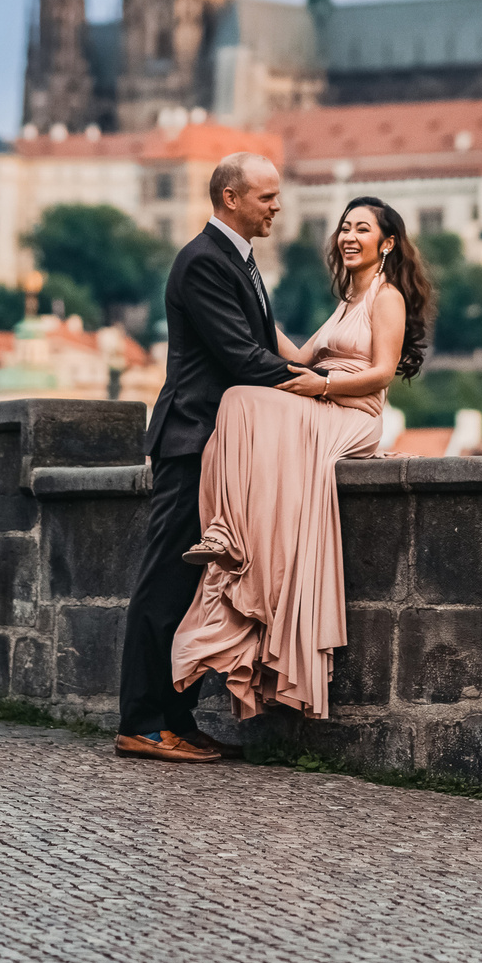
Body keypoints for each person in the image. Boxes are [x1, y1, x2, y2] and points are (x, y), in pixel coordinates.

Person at [169, 194, 434, 721]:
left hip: (352, 414)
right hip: (321, 402)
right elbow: (296, 358)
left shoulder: (387, 298)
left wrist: (325, 386)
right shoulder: (344, 303)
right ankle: (231, 532)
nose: (349, 236)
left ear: (386, 244)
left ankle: (230, 531)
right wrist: (253, 309)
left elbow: (382, 372)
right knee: (240, 401)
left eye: (362, 228)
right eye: (344, 227)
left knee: (242, 401)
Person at [114, 151, 318, 763]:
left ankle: (176, 719)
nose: (277, 206)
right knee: (166, 582)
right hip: (192, 439)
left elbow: (258, 346)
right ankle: (143, 722)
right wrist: (322, 384)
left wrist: (313, 368)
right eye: (266, 197)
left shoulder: (237, 258)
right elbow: (241, 357)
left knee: (201, 586)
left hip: (219, 442)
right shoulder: (204, 260)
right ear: (231, 198)